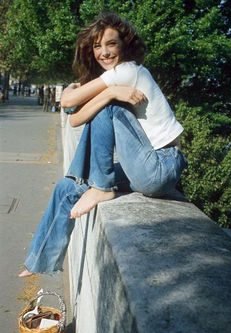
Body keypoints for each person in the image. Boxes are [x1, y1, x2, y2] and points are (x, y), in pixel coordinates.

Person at [19, 13, 187, 277]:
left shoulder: (127, 70)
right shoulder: (114, 80)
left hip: (161, 164)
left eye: (112, 44)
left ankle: (101, 187)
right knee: (69, 187)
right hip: (148, 169)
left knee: (106, 110)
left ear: (126, 45)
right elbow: (74, 117)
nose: (104, 52)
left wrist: (106, 95)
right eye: (97, 46)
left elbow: (67, 103)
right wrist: (108, 93)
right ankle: (38, 261)